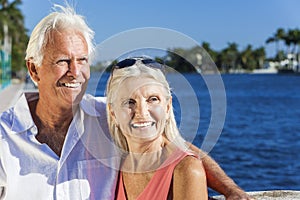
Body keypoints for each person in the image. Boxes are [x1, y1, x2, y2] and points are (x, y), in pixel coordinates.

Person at [0, 3, 253, 200]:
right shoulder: (4, 138)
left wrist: (230, 188)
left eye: (83, 61)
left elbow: (176, 146)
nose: (75, 72)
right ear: (34, 71)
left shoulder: (107, 115)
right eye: (63, 61)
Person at [106, 57, 208, 199]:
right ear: (113, 113)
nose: (142, 112)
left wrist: (230, 189)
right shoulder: (112, 168)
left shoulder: (186, 170)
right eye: (129, 102)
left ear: (167, 107)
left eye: (152, 99)